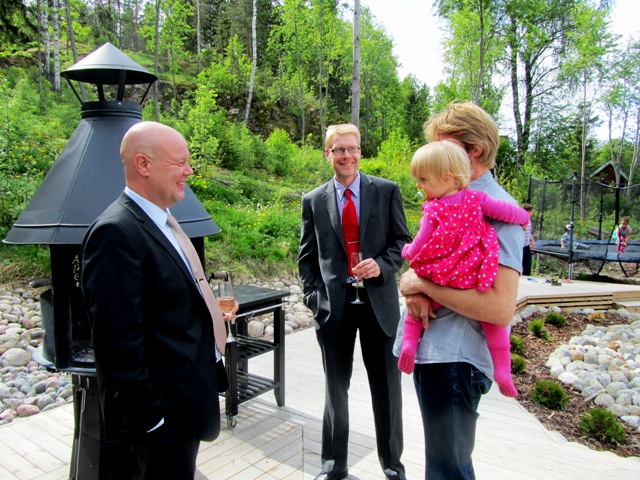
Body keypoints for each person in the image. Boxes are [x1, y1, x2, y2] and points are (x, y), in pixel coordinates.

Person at [81, 121, 237, 479]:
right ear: (144, 165)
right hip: (162, 423)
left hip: (186, 404)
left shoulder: (161, 222)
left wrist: (207, 313)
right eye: (180, 162)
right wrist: (153, 422)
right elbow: (118, 345)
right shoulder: (115, 233)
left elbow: (163, 302)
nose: (189, 171)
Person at [393, 102, 523, 480]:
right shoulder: (446, 197)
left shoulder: (498, 210)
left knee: (448, 472)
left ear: (474, 151)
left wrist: (420, 284)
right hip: (439, 356)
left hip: (456, 360)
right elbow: (429, 257)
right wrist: (416, 286)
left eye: (444, 147)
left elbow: (500, 309)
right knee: (444, 467)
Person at [298, 123, 411, 480]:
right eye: (339, 149)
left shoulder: (387, 191)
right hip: (335, 308)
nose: (346, 155)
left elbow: (402, 243)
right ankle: (334, 466)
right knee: (335, 391)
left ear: (361, 151)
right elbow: (307, 257)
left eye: (352, 148)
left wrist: (382, 265)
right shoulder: (313, 200)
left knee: (387, 391)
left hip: (379, 306)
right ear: (327, 154)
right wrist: (314, 299)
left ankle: (392, 468)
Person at [397, 141, 529, 401]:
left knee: (420, 311)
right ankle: (503, 371)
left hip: (442, 275)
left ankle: (409, 345)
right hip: (472, 273)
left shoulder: (434, 209)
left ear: (447, 177)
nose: (419, 185)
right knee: (494, 327)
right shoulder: (478, 199)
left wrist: (406, 251)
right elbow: (507, 213)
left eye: (423, 179)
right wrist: (524, 218)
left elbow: (420, 244)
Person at [522, 204, 535, 275]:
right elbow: (524, 229)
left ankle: (526, 275)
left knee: (527, 265)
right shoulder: (521, 219)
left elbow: (528, 231)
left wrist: (532, 240)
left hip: (527, 245)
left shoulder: (529, 221)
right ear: (529, 212)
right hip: (520, 245)